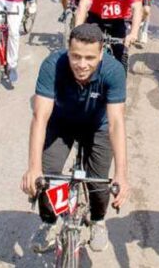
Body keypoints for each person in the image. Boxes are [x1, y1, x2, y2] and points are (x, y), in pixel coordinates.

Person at [20, 23, 129, 253]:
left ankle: (97, 221)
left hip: (98, 126)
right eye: (76, 56)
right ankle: (49, 222)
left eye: (90, 58)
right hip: (61, 124)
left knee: (98, 183)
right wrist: (33, 167)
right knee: (47, 177)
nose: (82, 64)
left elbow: (117, 123)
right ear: (68, 51)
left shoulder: (114, 70)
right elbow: (40, 117)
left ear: (101, 54)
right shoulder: (53, 65)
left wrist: (121, 174)